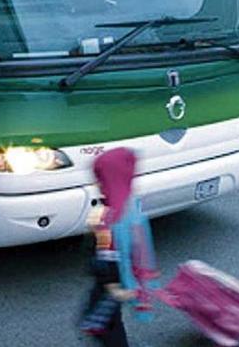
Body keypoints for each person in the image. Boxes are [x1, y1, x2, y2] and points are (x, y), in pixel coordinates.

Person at [79, 148, 160, 347]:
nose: (97, 183)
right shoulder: (132, 208)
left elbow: (103, 260)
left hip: (109, 286)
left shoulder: (108, 218)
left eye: (100, 178)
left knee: (102, 325)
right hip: (119, 282)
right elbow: (140, 249)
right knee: (109, 323)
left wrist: (114, 288)